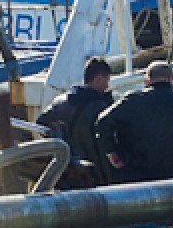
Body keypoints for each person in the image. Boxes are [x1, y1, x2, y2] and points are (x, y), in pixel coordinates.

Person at [94, 62, 173, 183]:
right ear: (171, 80)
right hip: (170, 177)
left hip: (134, 175)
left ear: (147, 80)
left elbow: (103, 121)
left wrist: (111, 152)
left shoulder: (133, 101)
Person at [37, 57, 115, 187]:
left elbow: (41, 122)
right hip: (94, 172)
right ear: (98, 79)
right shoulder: (100, 108)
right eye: (106, 81)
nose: (107, 86)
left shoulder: (60, 102)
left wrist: (60, 138)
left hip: (68, 168)